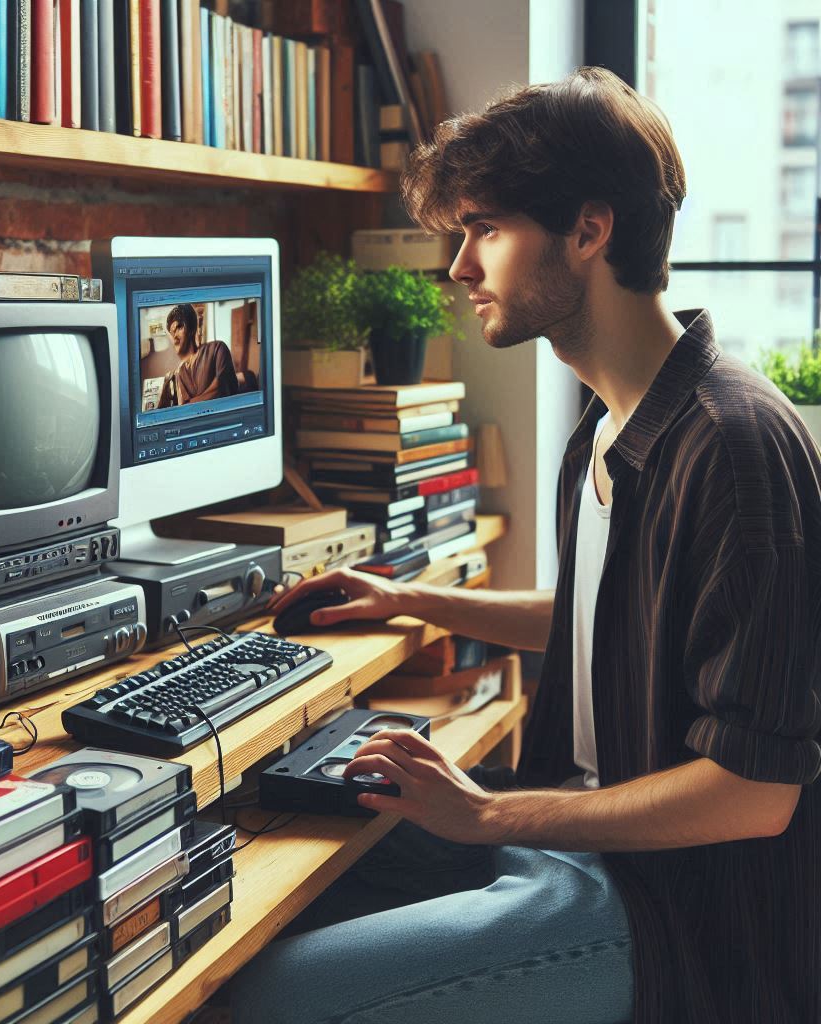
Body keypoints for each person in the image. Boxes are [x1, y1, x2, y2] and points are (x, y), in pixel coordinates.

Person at [231, 67, 821, 1024]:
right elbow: (605, 615)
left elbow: (755, 792)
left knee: (279, 996)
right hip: (575, 829)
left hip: (676, 912)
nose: (461, 267)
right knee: (285, 870)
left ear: (589, 231)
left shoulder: (733, 447)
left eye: (486, 229)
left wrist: (489, 815)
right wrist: (414, 601)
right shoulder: (608, 425)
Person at [156, 302, 240, 407]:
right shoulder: (181, 372)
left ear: (191, 328)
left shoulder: (217, 349)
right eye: (172, 332)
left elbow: (221, 389)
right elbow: (185, 405)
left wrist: (188, 406)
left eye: (179, 328)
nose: (175, 336)